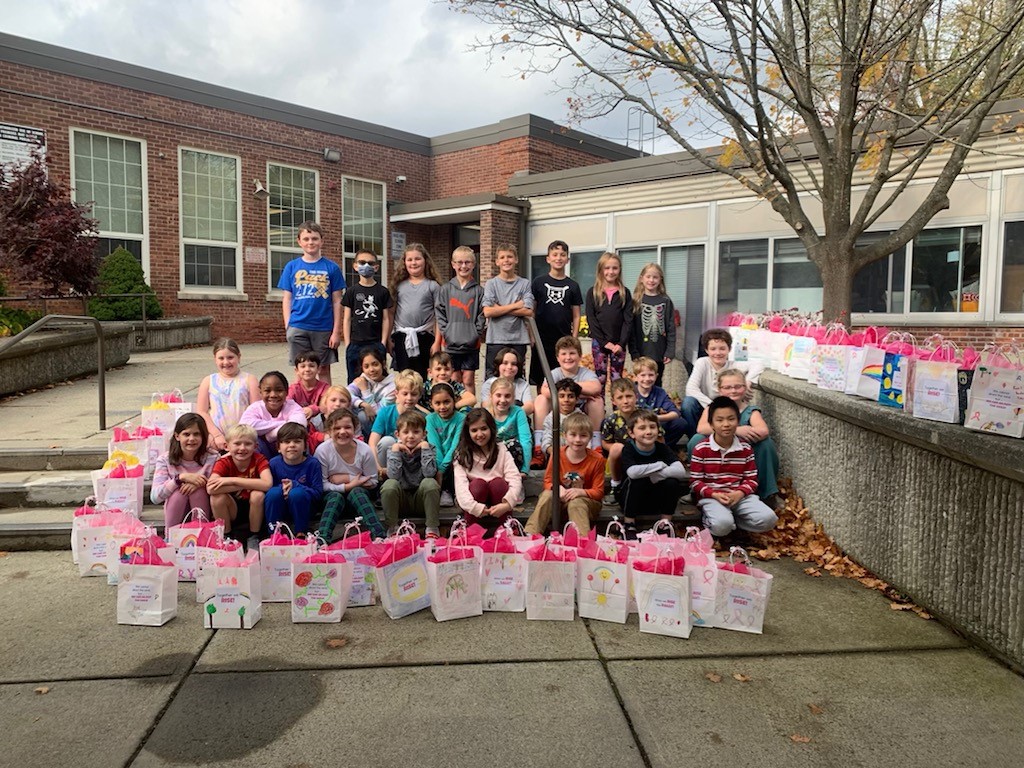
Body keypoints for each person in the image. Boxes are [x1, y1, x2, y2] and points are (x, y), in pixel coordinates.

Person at [689, 396, 778, 538]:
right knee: (721, 527)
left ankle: (734, 523)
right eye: (720, 420)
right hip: (713, 496)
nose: (726, 424)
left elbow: (751, 480)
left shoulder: (745, 448)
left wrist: (740, 493)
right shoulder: (701, 449)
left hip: (740, 497)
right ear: (711, 424)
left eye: (731, 419)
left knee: (769, 519)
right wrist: (713, 494)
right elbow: (695, 482)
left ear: (738, 421)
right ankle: (719, 521)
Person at [687, 369, 780, 501]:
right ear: (719, 389)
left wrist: (749, 434)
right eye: (727, 387)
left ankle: (766, 493)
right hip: (715, 456)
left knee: (766, 443)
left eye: (738, 386)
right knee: (696, 440)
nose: (733, 391)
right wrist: (737, 430)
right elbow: (701, 428)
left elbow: (763, 430)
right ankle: (698, 489)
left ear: (745, 387)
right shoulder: (712, 408)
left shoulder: (749, 411)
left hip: (741, 457)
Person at [277, 221, 345, 383]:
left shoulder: (332, 268)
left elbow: (337, 301)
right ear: (299, 241)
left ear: (321, 241)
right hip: (298, 326)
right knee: (301, 370)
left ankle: (326, 405)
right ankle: (299, 406)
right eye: (306, 239)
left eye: (314, 238)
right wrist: (289, 326)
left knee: (323, 369)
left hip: (323, 328)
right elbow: (287, 298)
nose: (310, 242)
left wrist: (336, 332)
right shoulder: (291, 267)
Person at [525, 412, 605, 536]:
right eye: (573, 435)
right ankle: (530, 535)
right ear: (565, 436)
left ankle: (582, 542)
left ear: (590, 438)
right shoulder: (557, 454)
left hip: (586, 504)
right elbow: (547, 481)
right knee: (548, 495)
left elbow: (599, 492)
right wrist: (556, 488)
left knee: (576, 503)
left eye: (583, 435)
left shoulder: (597, 459)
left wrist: (580, 492)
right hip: (560, 501)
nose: (578, 440)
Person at [615, 410, 688, 539]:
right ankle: (629, 523)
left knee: (672, 482)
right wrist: (659, 465)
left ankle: (665, 523)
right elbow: (632, 472)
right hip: (630, 499)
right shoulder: (629, 448)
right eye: (642, 428)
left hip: (655, 499)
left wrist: (656, 475)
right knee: (637, 480)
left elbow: (681, 471)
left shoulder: (662, 448)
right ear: (631, 433)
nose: (648, 432)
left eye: (652, 427)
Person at [314, 408, 384, 541]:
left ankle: (379, 535)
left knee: (357, 491)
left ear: (355, 428)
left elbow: (373, 481)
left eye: (347, 427)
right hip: (331, 502)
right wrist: (346, 487)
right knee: (335, 497)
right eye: (337, 428)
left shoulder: (364, 450)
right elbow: (322, 485)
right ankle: (322, 540)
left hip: (358, 502)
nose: (342, 432)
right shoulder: (323, 451)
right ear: (329, 430)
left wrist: (347, 479)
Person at [453, 408, 524, 535]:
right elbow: (461, 487)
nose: (479, 434)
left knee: (498, 483)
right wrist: (475, 507)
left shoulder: (501, 449)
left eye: (483, 428)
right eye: (474, 430)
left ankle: (506, 530)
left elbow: (514, 477)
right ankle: (471, 532)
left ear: (491, 428)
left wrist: (507, 504)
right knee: (478, 484)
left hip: (499, 502)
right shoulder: (462, 455)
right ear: (467, 432)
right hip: (474, 504)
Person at [533, 335, 603, 461]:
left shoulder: (585, 373)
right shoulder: (555, 373)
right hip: (558, 411)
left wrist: (566, 388)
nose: (568, 357)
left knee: (597, 401)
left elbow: (596, 388)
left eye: (572, 353)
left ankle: (596, 444)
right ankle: (539, 446)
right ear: (558, 358)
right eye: (564, 354)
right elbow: (544, 390)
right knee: (540, 399)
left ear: (580, 356)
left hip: (581, 412)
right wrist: (580, 392)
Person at [682, 328, 762, 435]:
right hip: (705, 406)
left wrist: (748, 382)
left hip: (729, 410)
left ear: (729, 349)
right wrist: (713, 406)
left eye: (722, 349)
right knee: (688, 403)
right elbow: (691, 389)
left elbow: (758, 365)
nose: (718, 353)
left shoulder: (734, 365)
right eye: (713, 349)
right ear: (706, 350)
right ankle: (696, 439)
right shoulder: (702, 363)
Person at [208, 424, 272, 551]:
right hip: (232, 508)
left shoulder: (259, 460)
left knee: (257, 494)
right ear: (226, 446)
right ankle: (226, 535)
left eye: (247, 444)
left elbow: (267, 483)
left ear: (256, 446)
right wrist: (249, 483)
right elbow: (211, 488)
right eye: (237, 444)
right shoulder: (224, 463)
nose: (242, 448)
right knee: (217, 497)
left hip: (255, 509)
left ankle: (254, 536)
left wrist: (232, 480)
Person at [150, 413, 220, 530]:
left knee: (197, 491)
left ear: (203, 436)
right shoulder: (165, 460)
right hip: (176, 510)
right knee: (178, 493)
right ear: (177, 436)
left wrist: (198, 483)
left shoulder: (213, 457)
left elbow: (217, 485)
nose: (191, 439)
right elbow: (155, 497)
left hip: (203, 508)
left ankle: (202, 535)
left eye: (196, 434)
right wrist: (180, 479)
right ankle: (171, 538)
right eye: (186, 434)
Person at [530, 239, 583, 390]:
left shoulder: (573, 286)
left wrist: (574, 337)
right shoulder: (538, 282)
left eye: (562, 254)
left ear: (568, 259)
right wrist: (532, 335)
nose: (558, 258)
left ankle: (559, 410)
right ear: (548, 258)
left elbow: (576, 315)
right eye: (554, 254)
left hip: (563, 340)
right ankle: (542, 411)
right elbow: (531, 312)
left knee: (561, 378)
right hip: (541, 339)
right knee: (541, 380)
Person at [601, 378, 663, 505]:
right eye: (620, 398)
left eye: (629, 396)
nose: (625, 401)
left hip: (645, 452)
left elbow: (661, 439)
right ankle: (616, 486)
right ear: (613, 401)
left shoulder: (647, 415)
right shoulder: (610, 420)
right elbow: (605, 442)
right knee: (616, 448)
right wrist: (619, 449)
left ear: (636, 396)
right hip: (623, 456)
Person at [381, 410, 442, 538]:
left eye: (416, 432)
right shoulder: (392, 450)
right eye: (406, 432)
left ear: (424, 434)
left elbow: (429, 473)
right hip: (400, 501)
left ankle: (432, 528)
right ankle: (392, 529)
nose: (411, 436)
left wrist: (425, 448)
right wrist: (396, 450)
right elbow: (394, 476)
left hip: (421, 501)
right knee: (389, 484)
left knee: (430, 483)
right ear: (397, 434)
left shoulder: (430, 449)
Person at [435, 245, 485, 395]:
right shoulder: (445, 289)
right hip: (451, 343)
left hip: (471, 344)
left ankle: (469, 411)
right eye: (460, 262)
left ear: (474, 264)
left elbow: (482, 315)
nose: (464, 266)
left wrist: (475, 333)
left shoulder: (479, 291)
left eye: (468, 262)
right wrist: (447, 332)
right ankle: (457, 411)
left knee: (469, 379)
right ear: (453, 264)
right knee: (455, 378)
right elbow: (440, 313)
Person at [196, 338, 261, 452]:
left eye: (230, 357)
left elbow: (256, 410)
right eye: (221, 358)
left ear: (239, 357)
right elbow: (202, 411)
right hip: (216, 438)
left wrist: (242, 437)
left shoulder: (249, 380)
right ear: (215, 359)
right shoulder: (208, 381)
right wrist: (216, 435)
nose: (226, 362)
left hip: (244, 438)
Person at [389, 243, 441, 379]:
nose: (413, 263)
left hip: (424, 337)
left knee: (421, 375)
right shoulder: (398, 285)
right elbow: (391, 313)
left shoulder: (433, 286)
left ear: (425, 260)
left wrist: (437, 342)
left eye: (417, 259)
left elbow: (439, 316)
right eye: (409, 259)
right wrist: (388, 337)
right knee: (404, 376)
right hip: (402, 337)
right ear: (404, 262)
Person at [482, 243, 534, 379]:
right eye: (502, 257)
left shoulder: (524, 283)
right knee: (493, 377)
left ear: (516, 259)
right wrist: (517, 304)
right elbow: (487, 312)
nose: (506, 260)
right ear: (497, 262)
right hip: (495, 339)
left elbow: (528, 311)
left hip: (519, 339)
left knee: (517, 377)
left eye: (510, 257)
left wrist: (498, 308)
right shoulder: (491, 284)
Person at [341, 248, 392, 383]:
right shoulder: (351, 291)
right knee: (355, 380)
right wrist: (347, 343)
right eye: (362, 262)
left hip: (375, 342)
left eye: (370, 263)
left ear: (376, 267)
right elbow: (346, 319)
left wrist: (383, 342)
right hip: (355, 343)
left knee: (378, 379)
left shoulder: (382, 292)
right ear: (355, 266)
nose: (366, 266)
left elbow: (386, 318)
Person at [585, 252, 632, 388]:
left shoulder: (625, 293)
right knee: (600, 378)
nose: (611, 272)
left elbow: (628, 321)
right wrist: (605, 342)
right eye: (607, 268)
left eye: (614, 268)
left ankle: (618, 409)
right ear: (601, 270)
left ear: (620, 270)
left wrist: (621, 343)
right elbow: (591, 319)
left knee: (617, 379)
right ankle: (600, 408)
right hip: (599, 343)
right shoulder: (593, 292)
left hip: (619, 345)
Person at [265, 422, 322, 536]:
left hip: (305, 508)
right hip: (281, 507)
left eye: (297, 441)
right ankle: (274, 533)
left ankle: (301, 533)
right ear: (278, 447)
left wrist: (295, 485)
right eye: (286, 442)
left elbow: (318, 493)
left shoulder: (313, 463)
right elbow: (268, 488)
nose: (292, 445)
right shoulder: (274, 463)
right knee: (273, 493)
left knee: (297, 493)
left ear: (305, 446)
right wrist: (283, 489)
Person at [239, 371, 306, 459]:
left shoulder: (293, 407)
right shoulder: (256, 407)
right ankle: (258, 470)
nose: (273, 395)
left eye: (279, 390)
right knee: (253, 440)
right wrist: (282, 423)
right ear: (260, 392)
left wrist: (269, 436)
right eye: (267, 390)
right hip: (264, 451)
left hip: (289, 451)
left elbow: (299, 424)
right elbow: (245, 426)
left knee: (299, 438)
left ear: (287, 392)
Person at [630, 263, 676, 387]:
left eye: (655, 277)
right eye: (648, 276)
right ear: (641, 278)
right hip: (641, 351)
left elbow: (671, 328)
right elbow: (631, 330)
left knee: (657, 381)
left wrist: (670, 351)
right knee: (640, 381)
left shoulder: (666, 301)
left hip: (659, 351)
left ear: (660, 279)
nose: (651, 280)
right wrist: (633, 352)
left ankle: (655, 406)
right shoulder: (635, 301)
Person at [368, 369, 424, 469]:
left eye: (414, 394)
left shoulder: (423, 417)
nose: (409, 398)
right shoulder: (385, 412)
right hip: (387, 460)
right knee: (387, 441)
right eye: (405, 394)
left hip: (410, 460)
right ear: (396, 394)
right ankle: (383, 478)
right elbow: (372, 443)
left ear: (419, 395)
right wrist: (377, 467)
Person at [633, 356, 688, 446]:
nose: (647, 379)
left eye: (651, 375)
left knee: (681, 423)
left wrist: (655, 418)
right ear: (635, 377)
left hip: (655, 425)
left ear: (656, 376)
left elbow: (675, 413)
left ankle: (661, 448)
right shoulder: (631, 391)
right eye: (643, 375)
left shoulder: (659, 392)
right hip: (635, 426)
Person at [426, 382, 465, 509]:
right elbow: (434, 444)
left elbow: (456, 444)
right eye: (437, 403)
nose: (442, 407)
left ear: (454, 401)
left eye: (446, 402)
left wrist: (442, 469)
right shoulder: (430, 419)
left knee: (458, 458)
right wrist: (439, 467)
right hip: (437, 458)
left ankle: (452, 491)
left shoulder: (461, 418)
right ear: (431, 404)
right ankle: (439, 491)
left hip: (453, 456)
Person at [347, 346, 396, 439]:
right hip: (364, 424)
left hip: (383, 426)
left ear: (383, 364)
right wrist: (363, 404)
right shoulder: (362, 380)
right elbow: (345, 394)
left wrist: (365, 391)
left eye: (375, 364)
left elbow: (378, 413)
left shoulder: (392, 387)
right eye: (366, 366)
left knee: (363, 416)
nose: (371, 369)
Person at [486, 376, 532, 475]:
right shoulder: (486, 414)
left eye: (507, 396)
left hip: (513, 456)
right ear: (491, 396)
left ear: (513, 397)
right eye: (498, 395)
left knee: (513, 445)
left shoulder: (518, 412)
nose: (502, 400)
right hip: (493, 455)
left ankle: (513, 477)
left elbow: (526, 440)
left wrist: (525, 469)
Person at [481, 347, 534, 417]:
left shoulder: (523, 384)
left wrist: (512, 416)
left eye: (514, 364)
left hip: (517, 419)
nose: (509, 367)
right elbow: (486, 406)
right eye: (505, 363)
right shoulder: (489, 384)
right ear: (498, 365)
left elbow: (529, 406)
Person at [540, 378, 582, 460]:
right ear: (555, 398)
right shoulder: (550, 418)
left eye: (571, 396)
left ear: (577, 399)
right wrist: (555, 453)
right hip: (556, 457)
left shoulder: (582, 418)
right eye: (562, 396)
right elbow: (546, 440)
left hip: (577, 456)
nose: (566, 400)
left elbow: (586, 441)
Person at [288, 352, 329, 422]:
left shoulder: (325, 388)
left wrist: (313, 409)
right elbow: (287, 405)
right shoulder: (293, 389)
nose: (307, 369)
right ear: (297, 370)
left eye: (311, 366)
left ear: (318, 369)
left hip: (320, 421)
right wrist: (300, 412)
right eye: (303, 366)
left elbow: (328, 406)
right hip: (298, 420)